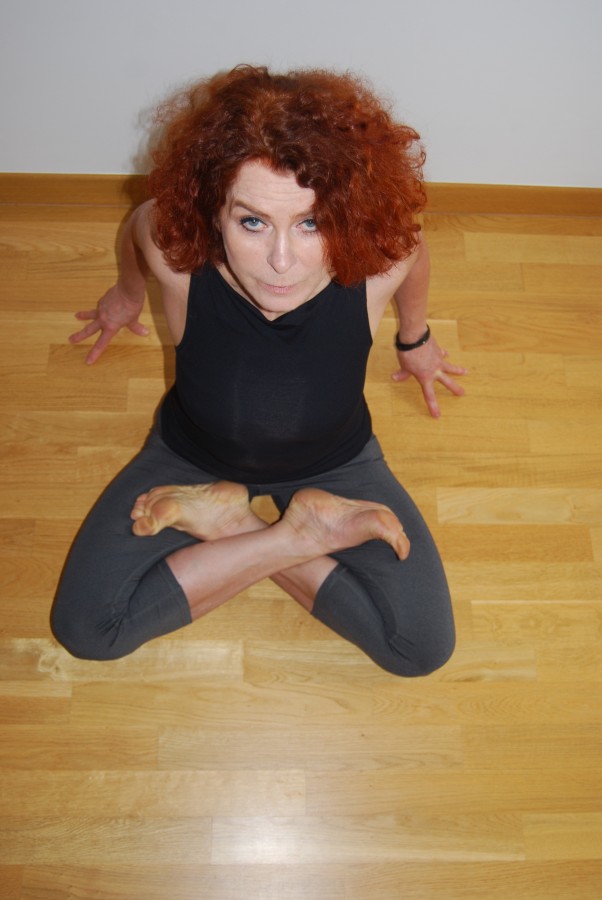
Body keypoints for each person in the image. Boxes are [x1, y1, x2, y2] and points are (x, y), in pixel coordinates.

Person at [51, 65, 466, 675]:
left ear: (347, 213)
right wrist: (126, 294)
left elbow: (416, 252)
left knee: (421, 648)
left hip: (338, 462)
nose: (281, 261)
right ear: (211, 211)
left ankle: (233, 523)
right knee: (87, 631)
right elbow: (137, 230)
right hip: (189, 457)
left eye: (311, 222)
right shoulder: (175, 254)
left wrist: (415, 337)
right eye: (252, 221)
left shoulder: (380, 260)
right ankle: (292, 531)